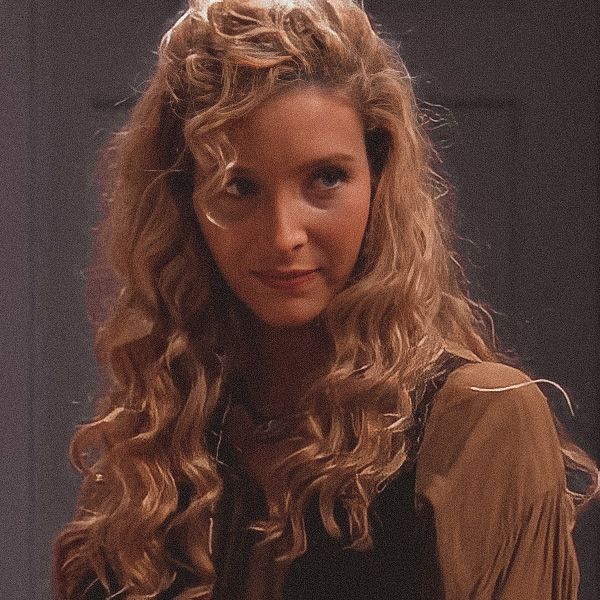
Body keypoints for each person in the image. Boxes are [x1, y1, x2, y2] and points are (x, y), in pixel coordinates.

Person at [53, 1, 599, 598]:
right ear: (184, 200)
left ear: (380, 176)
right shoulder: (157, 442)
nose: (284, 234)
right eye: (240, 187)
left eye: (326, 179)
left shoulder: (478, 421)